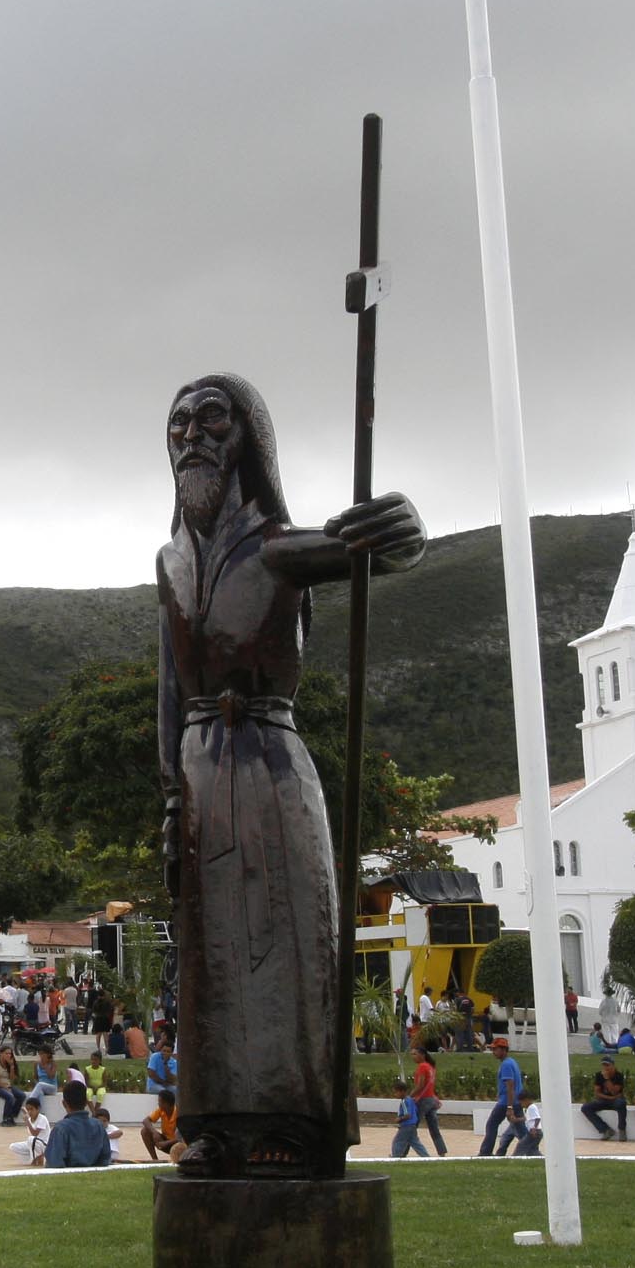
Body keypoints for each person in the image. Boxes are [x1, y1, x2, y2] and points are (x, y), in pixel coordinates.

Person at [157, 374, 424, 1178]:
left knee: (282, 946)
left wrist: (401, 528)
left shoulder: (280, 546)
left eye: (211, 420)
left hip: (270, 762)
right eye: (178, 426)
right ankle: (216, 1125)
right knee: (208, 954)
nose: (192, 438)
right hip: (202, 772)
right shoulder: (169, 561)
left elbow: (376, 552)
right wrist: (171, 796)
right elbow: (170, 691)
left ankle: (293, 1122)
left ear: (250, 439)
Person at [45, 1080, 112, 1166]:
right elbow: (105, 1160)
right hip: (95, 1177)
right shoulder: (99, 1126)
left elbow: (54, 1163)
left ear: (64, 1104)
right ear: (85, 1102)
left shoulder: (60, 1128)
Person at [479, 1037, 523, 1156]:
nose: (493, 1052)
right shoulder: (512, 1062)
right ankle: (531, 1150)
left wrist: (509, 1107)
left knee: (491, 1125)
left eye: (495, 1049)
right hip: (516, 1101)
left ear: (504, 1050)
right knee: (520, 1129)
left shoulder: (506, 1065)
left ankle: (485, 1152)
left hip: (506, 1103)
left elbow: (510, 1086)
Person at [409, 1046, 446, 1156]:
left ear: (422, 1055)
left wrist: (409, 1096)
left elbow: (420, 1085)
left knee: (410, 1127)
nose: (413, 1057)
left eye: (415, 1054)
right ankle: (442, 1152)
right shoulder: (430, 1067)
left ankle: (400, 1152)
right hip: (431, 1100)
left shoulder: (422, 1067)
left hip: (422, 1100)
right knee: (434, 1129)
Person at [580, 1057, 628, 1141]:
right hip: (604, 1100)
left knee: (621, 1103)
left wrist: (607, 1079)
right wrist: (610, 1097)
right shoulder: (599, 1075)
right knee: (586, 1107)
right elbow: (597, 1093)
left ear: (613, 1065)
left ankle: (622, 1130)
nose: (605, 1068)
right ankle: (605, 1129)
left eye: (607, 1065)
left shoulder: (619, 1076)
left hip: (615, 1101)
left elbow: (614, 1092)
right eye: (604, 1065)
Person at [387, 1077, 428, 1159]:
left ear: (402, 1091)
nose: (395, 1094)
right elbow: (415, 1110)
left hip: (406, 1126)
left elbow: (407, 1115)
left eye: (396, 1092)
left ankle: (395, 1157)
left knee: (397, 1141)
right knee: (415, 1143)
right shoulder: (410, 1100)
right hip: (412, 1125)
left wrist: (399, 1119)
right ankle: (426, 1157)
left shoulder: (404, 1102)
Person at [142, 1090, 184, 1163]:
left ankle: (179, 1159)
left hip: (177, 1144)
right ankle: (155, 1160)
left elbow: (183, 1137)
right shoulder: (161, 1110)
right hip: (165, 1141)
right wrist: (154, 1132)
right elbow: (145, 1120)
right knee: (145, 1131)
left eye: (160, 1101)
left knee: (180, 1146)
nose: (158, 1103)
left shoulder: (179, 1113)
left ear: (166, 1103)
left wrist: (166, 1143)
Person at [9, 1098, 52, 1166]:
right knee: (13, 1146)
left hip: (44, 1144)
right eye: (28, 1109)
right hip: (34, 1144)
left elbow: (35, 1133)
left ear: (38, 1109)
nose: (29, 1112)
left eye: (31, 1109)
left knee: (31, 1139)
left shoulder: (42, 1118)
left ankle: (36, 1159)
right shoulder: (29, 1119)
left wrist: (27, 1122)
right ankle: (34, 1157)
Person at [145, 1036, 177, 1107]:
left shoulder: (174, 1062)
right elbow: (151, 1074)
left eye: (168, 1052)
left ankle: (175, 1111)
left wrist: (165, 1064)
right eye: (164, 1051)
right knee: (164, 1092)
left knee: (176, 1090)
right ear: (161, 1050)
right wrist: (163, 1082)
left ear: (171, 1053)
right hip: (153, 1085)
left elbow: (172, 1080)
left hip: (166, 1085)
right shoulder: (154, 1057)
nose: (165, 1053)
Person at [514, 1088, 544, 1157]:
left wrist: (534, 1128)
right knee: (532, 1149)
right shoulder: (528, 1109)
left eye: (522, 1102)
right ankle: (540, 1158)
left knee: (521, 1145)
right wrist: (517, 1119)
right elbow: (527, 1118)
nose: (521, 1105)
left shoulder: (532, 1107)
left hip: (534, 1131)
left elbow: (537, 1118)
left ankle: (515, 1157)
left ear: (527, 1100)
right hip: (535, 1132)